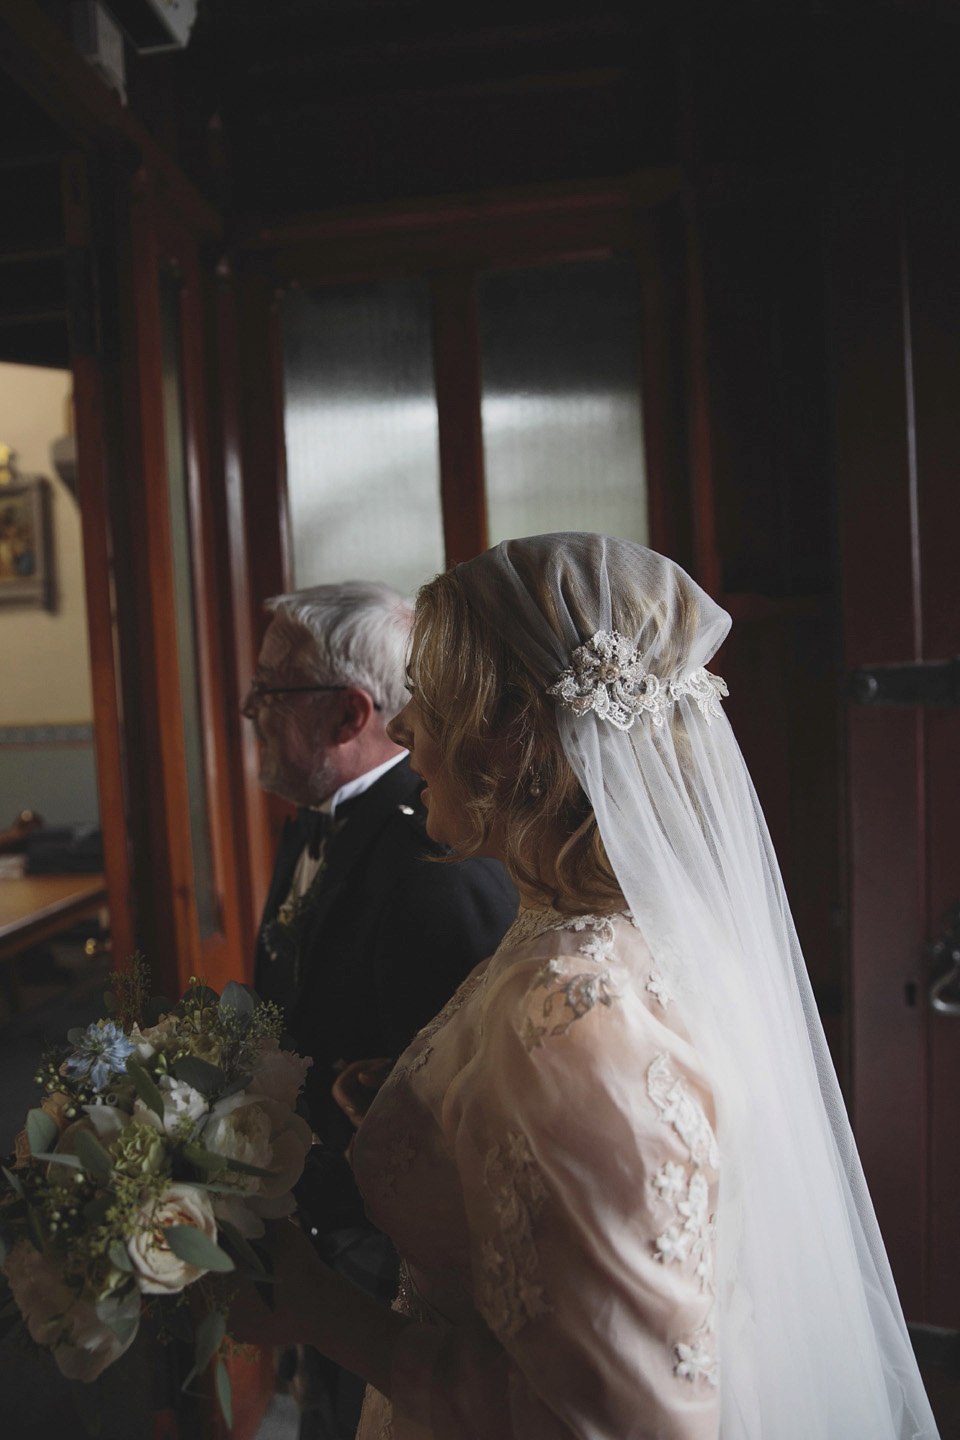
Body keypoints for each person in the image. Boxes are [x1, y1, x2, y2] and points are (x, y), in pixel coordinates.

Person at [236, 537, 939, 1440]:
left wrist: (317, 1309)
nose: (405, 732)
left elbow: (632, 1424)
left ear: (518, 737)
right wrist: (444, 1099)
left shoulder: (572, 1007)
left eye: (433, 699)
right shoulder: (610, 932)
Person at [242, 579, 518, 1438]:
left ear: (347, 714)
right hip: (319, 1235)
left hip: (390, 1257)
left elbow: (482, 1095)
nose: (249, 709)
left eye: (268, 692)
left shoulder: (439, 857)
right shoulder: (314, 811)